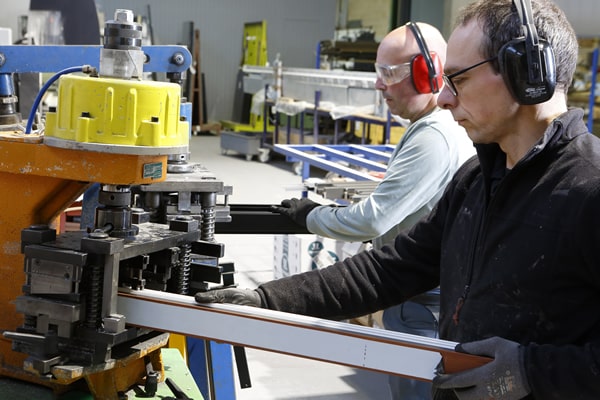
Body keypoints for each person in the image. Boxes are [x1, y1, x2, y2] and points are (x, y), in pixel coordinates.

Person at [196, 1, 600, 399]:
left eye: (457, 79)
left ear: (527, 72)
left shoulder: (589, 190)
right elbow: (389, 271)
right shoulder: (475, 182)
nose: (442, 98)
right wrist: (266, 299)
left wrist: (533, 372)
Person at [271, 21, 474, 400]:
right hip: (425, 295)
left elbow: (372, 218)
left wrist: (310, 215)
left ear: (426, 72)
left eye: (388, 73)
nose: (379, 85)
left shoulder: (433, 135)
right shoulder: (432, 126)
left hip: (421, 305)